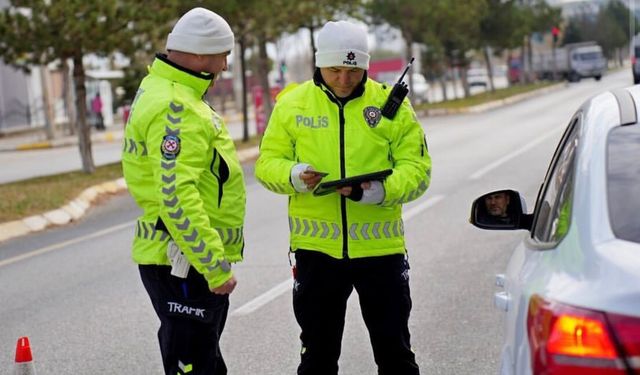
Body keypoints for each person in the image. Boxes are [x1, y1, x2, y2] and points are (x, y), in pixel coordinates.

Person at [255, 20, 431, 375]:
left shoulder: (388, 105)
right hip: (317, 254)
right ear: (319, 64)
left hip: (380, 252)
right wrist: (295, 176)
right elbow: (266, 164)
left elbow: (418, 169)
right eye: (335, 69)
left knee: (395, 355)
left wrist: (380, 191)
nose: (344, 79)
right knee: (317, 357)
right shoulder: (291, 105)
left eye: (353, 70)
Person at [121, 7, 245, 375]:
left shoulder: (160, 88)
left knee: (200, 360)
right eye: (223, 56)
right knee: (195, 365)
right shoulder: (178, 107)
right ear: (200, 55)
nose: (224, 66)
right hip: (184, 263)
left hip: (177, 257)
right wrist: (214, 266)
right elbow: (176, 198)